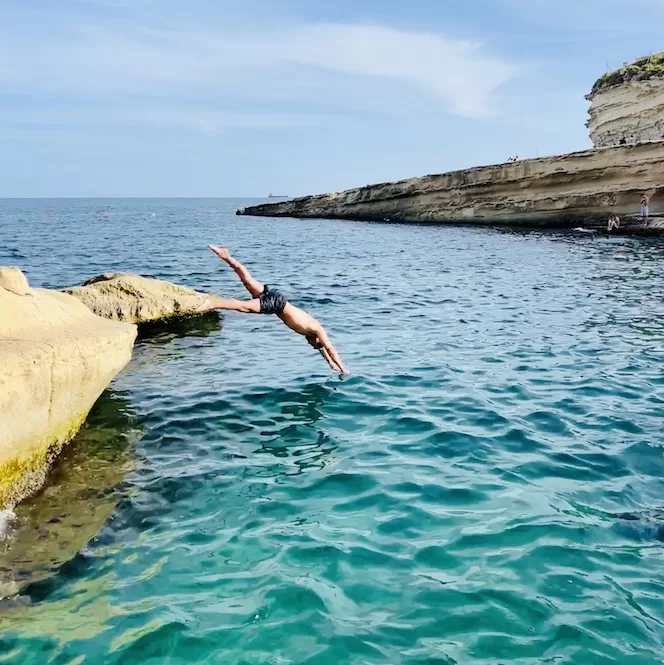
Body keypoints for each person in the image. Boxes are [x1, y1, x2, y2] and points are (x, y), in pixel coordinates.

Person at [206, 245, 349, 374]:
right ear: (318, 340)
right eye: (314, 345)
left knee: (247, 280)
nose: (311, 345)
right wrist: (342, 368)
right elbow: (330, 349)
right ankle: (212, 303)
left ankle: (226, 256)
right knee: (244, 307)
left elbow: (323, 351)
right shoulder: (316, 329)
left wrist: (330, 364)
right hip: (277, 304)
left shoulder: (312, 333)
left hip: (278, 299)